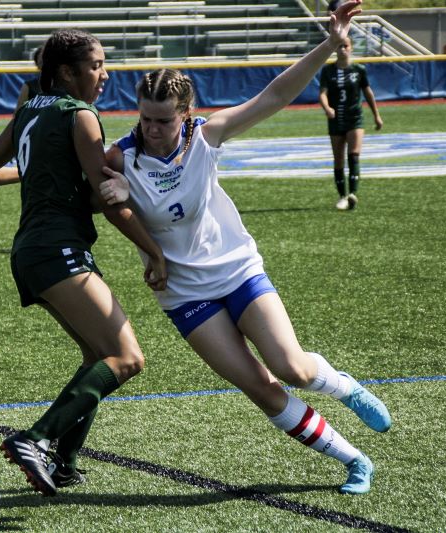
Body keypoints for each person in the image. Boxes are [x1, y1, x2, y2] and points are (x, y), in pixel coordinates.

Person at [99, 0, 390, 495]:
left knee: (291, 368)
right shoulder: (119, 158)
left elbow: (273, 96)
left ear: (185, 115)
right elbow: (92, 200)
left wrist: (330, 42)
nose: (151, 129)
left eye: (163, 121)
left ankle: (343, 385)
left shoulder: (207, 137)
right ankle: (354, 460)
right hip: (184, 294)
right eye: (145, 118)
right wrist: (116, 199)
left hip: (237, 271)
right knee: (259, 386)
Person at [0, 29, 167, 497]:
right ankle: (34, 440)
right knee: (127, 357)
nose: (104, 72)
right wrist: (154, 250)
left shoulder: (29, 110)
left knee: (98, 356)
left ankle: (64, 464)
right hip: (59, 251)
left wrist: (37, 169)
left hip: (30, 252)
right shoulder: (80, 116)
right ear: (66, 72)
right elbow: (107, 199)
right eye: (96, 65)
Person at [318, 36, 382, 210]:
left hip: (355, 117)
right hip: (336, 119)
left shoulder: (359, 70)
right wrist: (327, 108)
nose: (342, 49)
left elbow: (368, 92)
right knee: (338, 159)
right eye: (339, 46)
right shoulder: (328, 71)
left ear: (351, 48)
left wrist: (376, 115)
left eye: (345, 46)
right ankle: (342, 196)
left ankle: (353, 193)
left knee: (353, 154)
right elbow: (322, 93)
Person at [14, 45, 43, 111]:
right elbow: (18, 113)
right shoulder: (30, 86)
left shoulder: (62, 85)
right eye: (41, 62)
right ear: (37, 65)